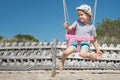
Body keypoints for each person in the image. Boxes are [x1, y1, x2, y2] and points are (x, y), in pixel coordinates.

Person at [59, 4, 102, 71]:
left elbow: (94, 39)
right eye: (78, 15)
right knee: (65, 52)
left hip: (85, 44)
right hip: (75, 43)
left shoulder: (92, 27)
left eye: (81, 15)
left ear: (88, 15)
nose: (79, 16)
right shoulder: (77, 23)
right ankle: (62, 62)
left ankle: (91, 56)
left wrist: (97, 49)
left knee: (82, 54)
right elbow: (69, 29)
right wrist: (66, 27)